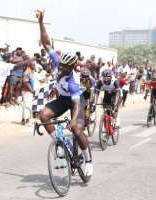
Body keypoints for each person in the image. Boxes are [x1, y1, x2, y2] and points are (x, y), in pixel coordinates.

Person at [36, 10, 93, 176]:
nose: (60, 69)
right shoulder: (58, 61)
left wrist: (73, 121)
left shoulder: (73, 81)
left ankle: (88, 160)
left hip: (77, 101)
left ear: (71, 68)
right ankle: (59, 143)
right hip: (62, 99)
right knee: (43, 115)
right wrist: (41, 23)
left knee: (76, 129)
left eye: (63, 68)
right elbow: (47, 44)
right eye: (59, 66)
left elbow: (76, 105)